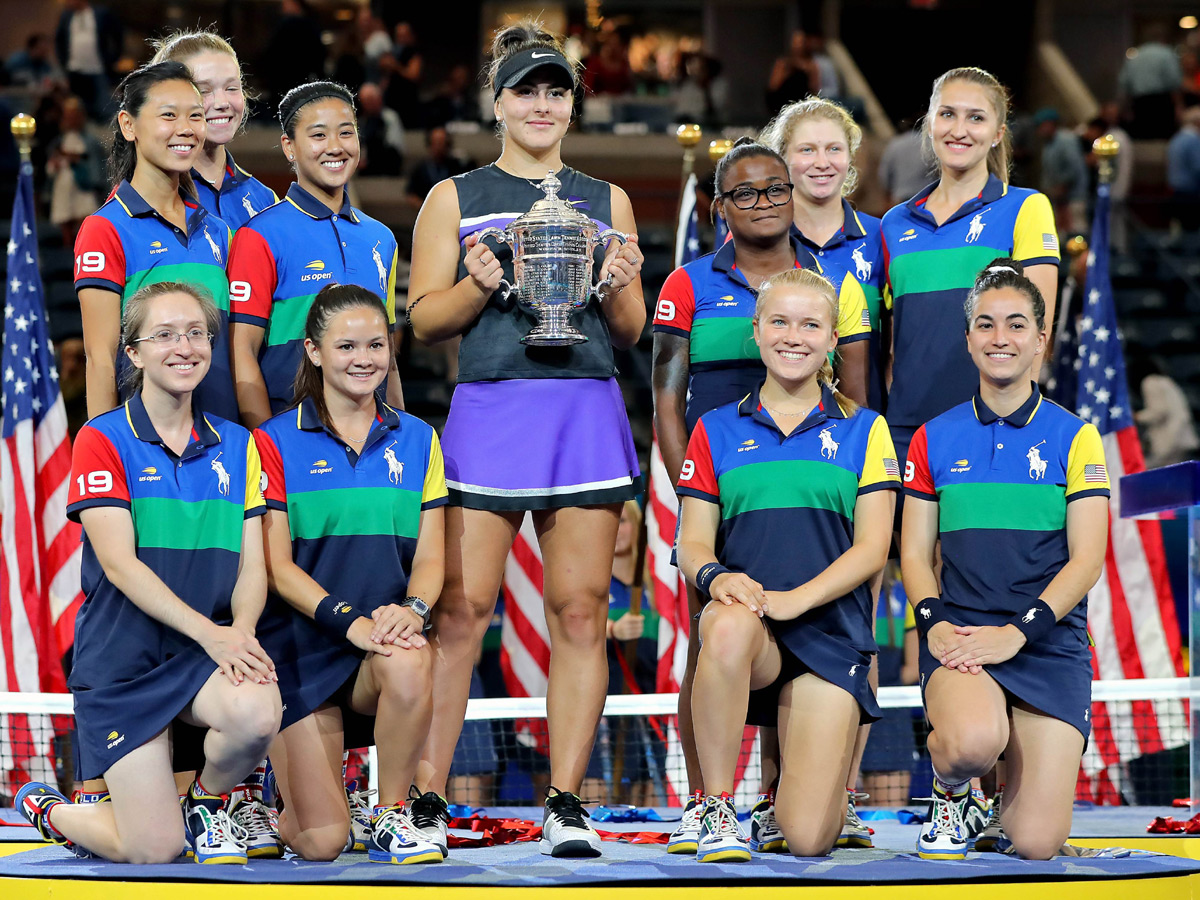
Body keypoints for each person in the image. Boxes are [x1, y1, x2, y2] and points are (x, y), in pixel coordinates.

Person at [406, 19, 645, 858]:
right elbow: (424, 319)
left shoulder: (605, 200)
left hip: (582, 410)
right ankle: (426, 796)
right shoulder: (453, 197)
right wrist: (475, 285)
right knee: (461, 611)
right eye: (525, 90)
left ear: (572, 106)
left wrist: (618, 283)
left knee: (581, 611)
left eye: (555, 91)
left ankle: (568, 801)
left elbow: (630, 329)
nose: (541, 104)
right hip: (492, 410)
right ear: (497, 103)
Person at [651, 136, 869, 855]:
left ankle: (800, 797)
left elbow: (857, 401)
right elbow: (666, 400)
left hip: (815, 487)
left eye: (775, 188)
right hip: (723, 489)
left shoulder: (831, 282)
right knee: (719, 638)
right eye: (744, 192)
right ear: (720, 207)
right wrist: (699, 506)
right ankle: (706, 804)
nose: (764, 202)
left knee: (813, 826)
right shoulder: (687, 284)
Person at [17, 281, 282, 865]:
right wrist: (214, 634)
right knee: (156, 850)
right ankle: (53, 810)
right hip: (124, 666)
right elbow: (120, 564)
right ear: (133, 353)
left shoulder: (240, 446)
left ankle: (207, 802)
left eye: (195, 333)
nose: (183, 347)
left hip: (198, 659)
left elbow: (252, 566)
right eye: (163, 335)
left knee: (259, 711)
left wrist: (238, 632)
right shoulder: (102, 438)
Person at [677, 267, 898, 862]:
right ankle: (716, 808)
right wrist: (718, 578)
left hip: (829, 639)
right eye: (779, 320)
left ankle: (779, 809)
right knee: (722, 622)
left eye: (810, 324)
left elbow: (873, 549)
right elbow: (690, 546)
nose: (792, 336)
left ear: (832, 340)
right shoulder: (713, 429)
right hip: (752, 633)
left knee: (806, 840)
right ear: (756, 331)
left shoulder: (866, 430)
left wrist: (793, 600)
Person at [901, 260, 1109, 860]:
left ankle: (1002, 811)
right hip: (962, 638)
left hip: (1047, 645)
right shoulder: (932, 437)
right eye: (986, 325)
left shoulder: (1077, 437)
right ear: (968, 339)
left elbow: (1086, 562)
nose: (1001, 339)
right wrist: (935, 623)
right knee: (971, 744)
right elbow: (913, 554)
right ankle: (953, 793)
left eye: (1017, 325)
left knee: (1038, 845)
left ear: (1041, 339)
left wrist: (1018, 634)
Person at [255, 284, 445, 864]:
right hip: (300, 654)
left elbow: (432, 559)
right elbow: (277, 568)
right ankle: (276, 800)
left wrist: (410, 611)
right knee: (322, 843)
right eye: (345, 346)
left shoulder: (419, 439)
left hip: (377, 651)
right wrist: (352, 623)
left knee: (412, 656)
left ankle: (389, 813)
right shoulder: (271, 442)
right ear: (313, 352)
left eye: (376, 344)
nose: (364, 358)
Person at [880, 67, 1060, 490]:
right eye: (948, 115)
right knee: (907, 559)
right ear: (929, 124)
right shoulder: (893, 224)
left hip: (992, 431)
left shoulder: (1026, 208)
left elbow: (1038, 335)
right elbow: (892, 346)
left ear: (998, 133)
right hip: (906, 435)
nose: (959, 130)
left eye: (976, 118)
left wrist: (1012, 429)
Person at [227, 80, 403, 430]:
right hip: (288, 433)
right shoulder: (259, 235)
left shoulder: (381, 239)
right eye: (319, 135)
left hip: (372, 437)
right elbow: (241, 352)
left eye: (346, 133)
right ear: (289, 148)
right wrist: (266, 445)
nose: (335, 147)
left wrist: (401, 429)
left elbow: (390, 359)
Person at [74, 61, 239, 424]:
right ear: (128, 125)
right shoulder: (106, 229)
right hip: (145, 452)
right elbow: (100, 357)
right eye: (168, 115)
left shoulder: (219, 231)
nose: (185, 129)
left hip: (223, 442)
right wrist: (104, 451)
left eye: (195, 116)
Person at [761, 96, 882, 411]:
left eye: (834, 149)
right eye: (807, 150)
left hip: (865, 417)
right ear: (782, 159)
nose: (822, 162)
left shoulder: (882, 237)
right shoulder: (761, 241)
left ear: (849, 156)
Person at [151, 30, 279, 231]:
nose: (222, 103)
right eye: (203, 91)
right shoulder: (147, 198)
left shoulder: (264, 200)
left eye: (231, 88)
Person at [858, 561, 917, 806]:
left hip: (887, 718)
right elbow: (912, 669)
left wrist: (871, 689)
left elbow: (913, 668)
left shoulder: (907, 592)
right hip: (862, 708)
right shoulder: (908, 591)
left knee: (886, 818)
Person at [47, 95, 103, 248]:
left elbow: (94, 163)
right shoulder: (58, 141)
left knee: (86, 221)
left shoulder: (90, 141)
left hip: (83, 186)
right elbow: (51, 167)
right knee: (65, 218)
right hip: (63, 187)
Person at [54, 0, 123, 120]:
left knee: (104, 109)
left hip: (98, 69)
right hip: (74, 70)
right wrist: (63, 62)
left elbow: (118, 34)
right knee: (79, 110)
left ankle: (104, 137)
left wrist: (114, 58)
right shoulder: (67, 16)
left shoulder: (100, 13)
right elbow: (59, 40)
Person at [1033, 108, 1087, 234]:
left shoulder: (1066, 140)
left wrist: (1062, 186)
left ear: (1050, 124)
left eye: (1041, 126)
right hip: (1058, 199)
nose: (1039, 130)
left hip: (1073, 197)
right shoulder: (1048, 144)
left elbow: (1074, 167)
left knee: (1076, 232)